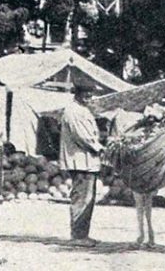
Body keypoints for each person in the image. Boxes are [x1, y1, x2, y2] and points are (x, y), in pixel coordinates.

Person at [60, 85, 105, 246]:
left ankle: (83, 233)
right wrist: (100, 148)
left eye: (90, 95)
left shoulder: (83, 110)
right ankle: (78, 236)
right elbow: (82, 136)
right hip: (80, 160)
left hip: (88, 161)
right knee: (81, 198)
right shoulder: (73, 111)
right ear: (78, 94)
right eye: (86, 94)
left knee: (88, 198)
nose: (88, 98)